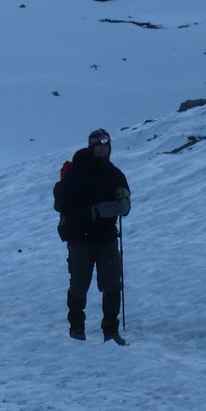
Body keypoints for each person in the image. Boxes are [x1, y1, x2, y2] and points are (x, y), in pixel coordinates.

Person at [53, 128, 131, 345]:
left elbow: (125, 204)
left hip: (106, 236)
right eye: (98, 144)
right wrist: (96, 212)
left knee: (112, 284)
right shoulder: (76, 173)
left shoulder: (116, 174)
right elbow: (64, 206)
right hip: (80, 238)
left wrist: (124, 206)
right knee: (79, 285)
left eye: (105, 144)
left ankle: (110, 331)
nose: (102, 148)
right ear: (91, 146)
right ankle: (76, 329)